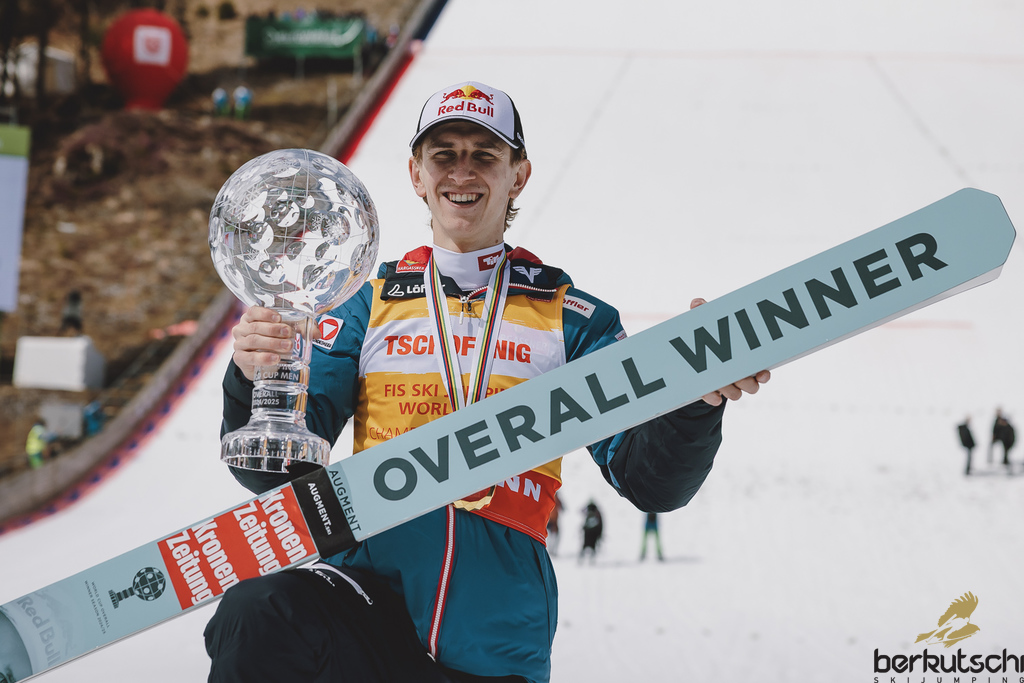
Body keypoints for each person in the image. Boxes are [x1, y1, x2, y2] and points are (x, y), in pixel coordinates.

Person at [205, 80, 770, 683]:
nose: (462, 172)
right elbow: (275, 474)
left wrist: (692, 404)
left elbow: (649, 480)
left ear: (518, 174)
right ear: (417, 175)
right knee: (259, 613)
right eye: (444, 155)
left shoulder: (571, 319)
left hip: (494, 645)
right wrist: (253, 379)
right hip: (370, 617)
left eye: (485, 155)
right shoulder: (366, 308)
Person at [546, 492, 563, 556]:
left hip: (550, 520)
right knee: (554, 536)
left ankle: (551, 549)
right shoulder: (555, 499)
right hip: (552, 521)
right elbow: (562, 507)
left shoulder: (550, 498)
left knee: (551, 536)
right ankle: (551, 550)